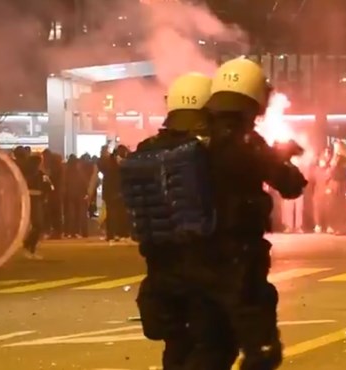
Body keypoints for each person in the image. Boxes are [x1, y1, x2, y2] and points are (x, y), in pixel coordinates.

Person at [123, 72, 235, 368]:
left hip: (160, 275)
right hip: (203, 277)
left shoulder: (144, 152)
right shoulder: (204, 155)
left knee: (175, 351)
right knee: (211, 351)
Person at [203, 58, 307, 369]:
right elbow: (290, 185)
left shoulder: (198, 140)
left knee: (206, 351)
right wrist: (284, 156)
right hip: (238, 258)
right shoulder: (247, 142)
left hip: (194, 258)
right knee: (261, 351)